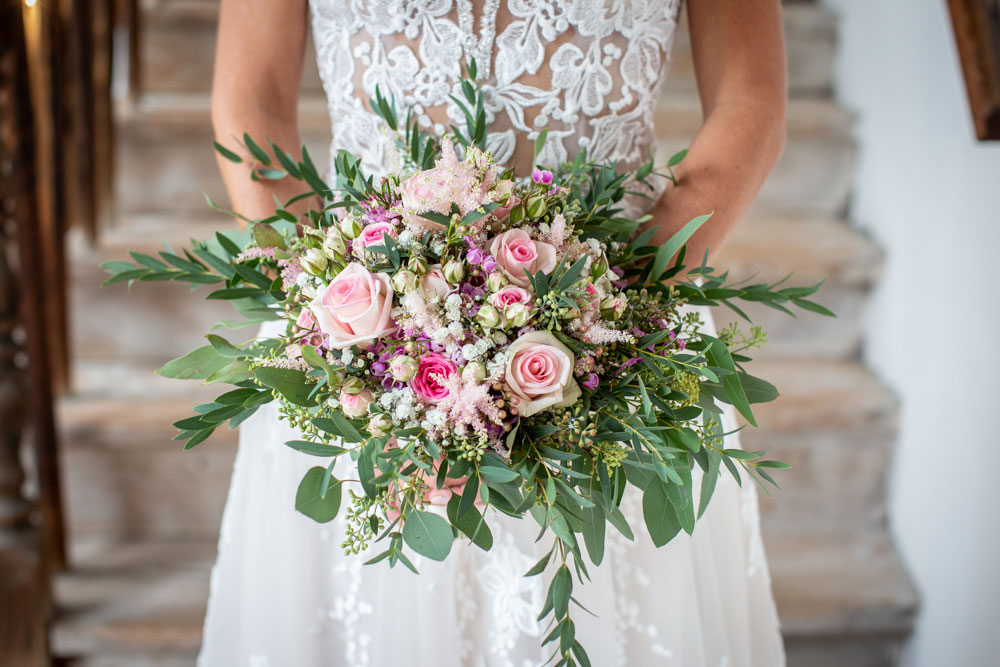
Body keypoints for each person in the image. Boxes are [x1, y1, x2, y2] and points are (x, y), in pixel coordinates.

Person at [200, 1, 788, 665]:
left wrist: (599, 308)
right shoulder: (359, 335)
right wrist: (342, 307)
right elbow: (254, 103)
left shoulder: (613, 319)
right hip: (365, 350)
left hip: (618, 339)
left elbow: (750, 99)